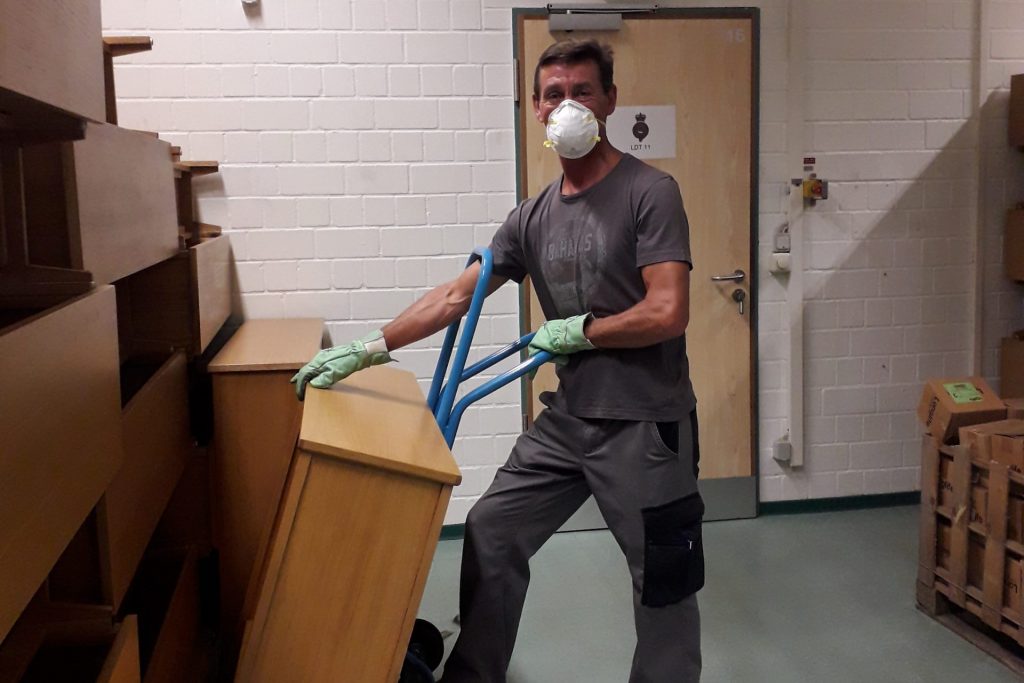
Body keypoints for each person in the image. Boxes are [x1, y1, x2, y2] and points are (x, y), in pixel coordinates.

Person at [291, 39, 703, 683]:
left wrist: (582, 331)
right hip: (569, 422)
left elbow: (667, 311)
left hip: (645, 425)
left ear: (610, 102)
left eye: (582, 92)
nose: (567, 105)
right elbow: (458, 294)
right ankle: (473, 677)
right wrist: (367, 348)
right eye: (553, 94)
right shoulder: (531, 217)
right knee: (491, 530)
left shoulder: (649, 192)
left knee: (663, 580)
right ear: (536, 110)